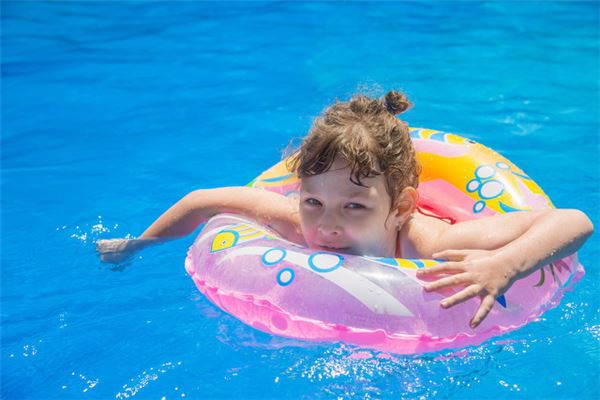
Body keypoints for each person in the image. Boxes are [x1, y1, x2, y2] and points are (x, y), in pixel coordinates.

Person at [97, 91, 593, 328]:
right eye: (313, 201)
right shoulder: (298, 221)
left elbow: (574, 221)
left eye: (354, 206)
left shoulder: (434, 242)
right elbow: (202, 201)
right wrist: (136, 245)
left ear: (401, 206)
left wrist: (505, 265)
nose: (328, 225)